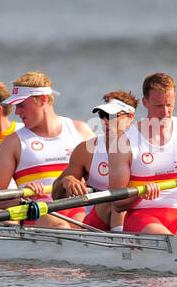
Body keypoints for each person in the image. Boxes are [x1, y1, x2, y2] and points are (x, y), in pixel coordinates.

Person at [108, 72, 177, 244]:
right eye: (159, 106)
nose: (165, 112)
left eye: (169, 105)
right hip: (141, 215)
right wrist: (141, 194)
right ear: (145, 103)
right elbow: (117, 204)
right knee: (166, 241)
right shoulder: (124, 142)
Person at [0, 71, 94, 229]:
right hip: (37, 212)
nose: (16, 112)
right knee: (61, 227)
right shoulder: (12, 143)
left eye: (21, 105)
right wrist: (23, 198)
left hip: (78, 207)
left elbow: (104, 175)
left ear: (42, 100)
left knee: (87, 223)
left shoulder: (81, 130)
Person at [52, 91, 139, 231]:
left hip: (139, 216)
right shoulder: (86, 150)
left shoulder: (145, 148)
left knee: (122, 200)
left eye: (111, 116)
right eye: (102, 116)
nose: (105, 121)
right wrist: (66, 181)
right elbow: (56, 196)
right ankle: (123, 247)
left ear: (130, 117)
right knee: (116, 199)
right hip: (95, 222)